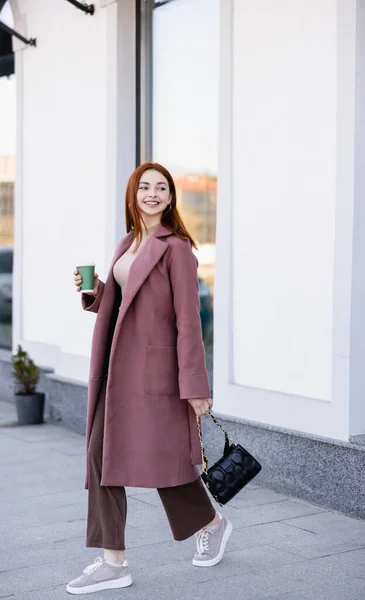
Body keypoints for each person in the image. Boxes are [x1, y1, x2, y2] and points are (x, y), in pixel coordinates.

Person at [66, 162, 232, 595]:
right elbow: (125, 303)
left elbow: (188, 321)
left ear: (171, 198)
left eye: (161, 188)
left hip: (158, 373)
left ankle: (212, 523)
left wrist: (196, 386)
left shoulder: (177, 249)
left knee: (165, 465)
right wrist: (96, 292)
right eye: (145, 187)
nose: (153, 194)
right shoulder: (128, 242)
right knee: (101, 458)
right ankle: (112, 561)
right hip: (117, 372)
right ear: (133, 194)